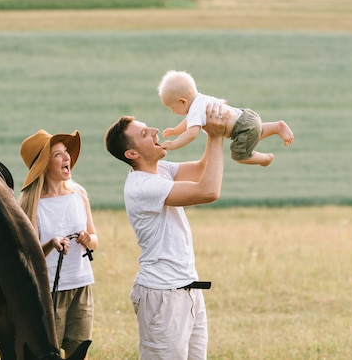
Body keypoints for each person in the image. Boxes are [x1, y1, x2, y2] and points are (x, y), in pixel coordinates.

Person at [104, 103, 227, 360]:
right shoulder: (143, 186)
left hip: (188, 289)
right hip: (163, 296)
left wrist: (208, 127)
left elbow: (204, 167)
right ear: (132, 154)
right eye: (144, 133)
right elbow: (208, 191)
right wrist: (215, 136)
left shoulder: (161, 170)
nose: (155, 130)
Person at [19, 129, 98, 359]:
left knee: (78, 353)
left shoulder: (79, 194)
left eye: (66, 153)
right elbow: (28, 256)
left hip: (81, 286)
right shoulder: (32, 203)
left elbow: (95, 241)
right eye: (57, 155)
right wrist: (51, 244)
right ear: (44, 164)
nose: (67, 158)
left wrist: (87, 238)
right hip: (49, 291)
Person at [158, 70, 294, 166]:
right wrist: (175, 131)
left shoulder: (195, 110)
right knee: (254, 133)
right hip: (246, 116)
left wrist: (173, 144)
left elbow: (191, 134)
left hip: (240, 128)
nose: (173, 111)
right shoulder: (201, 100)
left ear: (183, 101)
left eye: (172, 108)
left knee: (240, 155)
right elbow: (189, 122)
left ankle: (265, 158)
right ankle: (277, 127)